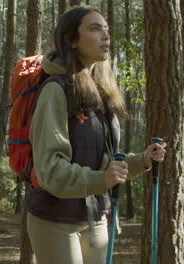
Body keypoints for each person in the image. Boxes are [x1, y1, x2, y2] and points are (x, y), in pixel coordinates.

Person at [25, 6, 167, 264]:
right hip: (55, 220)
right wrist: (103, 179)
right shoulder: (55, 90)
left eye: (106, 29)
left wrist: (141, 161)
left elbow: (105, 163)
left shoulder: (101, 95)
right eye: (94, 29)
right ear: (71, 40)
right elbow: (50, 170)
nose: (105, 36)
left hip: (96, 217)